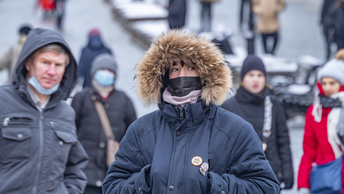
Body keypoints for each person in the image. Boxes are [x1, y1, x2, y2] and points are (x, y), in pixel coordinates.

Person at [102, 30, 280, 194]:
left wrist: (214, 185)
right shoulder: (141, 130)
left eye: (190, 67)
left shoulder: (235, 130)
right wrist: (145, 180)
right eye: (175, 68)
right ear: (164, 76)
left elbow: (265, 187)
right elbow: (112, 187)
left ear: (205, 73)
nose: (182, 75)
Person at [0, 28, 88, 193]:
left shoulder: (66, 113)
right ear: (28, 64)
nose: (52, 72)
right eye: (45, 62)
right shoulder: (2, 100)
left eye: (59, 65)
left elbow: (74, 168)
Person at [221, 55, 294, 191]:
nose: (256, 79)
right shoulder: (228, 107)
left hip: (271, 175)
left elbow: (283, 140)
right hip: (239, 178)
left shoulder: (274, 104)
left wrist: (287, 172)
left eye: (260, 75)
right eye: (251, 75)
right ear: (243, 78)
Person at [71, 53, 137, 194]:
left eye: (110, 71)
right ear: (94, 73)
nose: (106, 74)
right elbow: (70, 133)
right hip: (85, 174)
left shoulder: (124, 100)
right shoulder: (81, 98)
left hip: (113, 175)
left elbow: (134, 137)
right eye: (102, 70)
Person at [297, 49, 344, 194]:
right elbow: (308, 152)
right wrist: (303, 184)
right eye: (324, 83)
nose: (327, 88)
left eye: (332, 83)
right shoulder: (315, 111)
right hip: (324, 178)